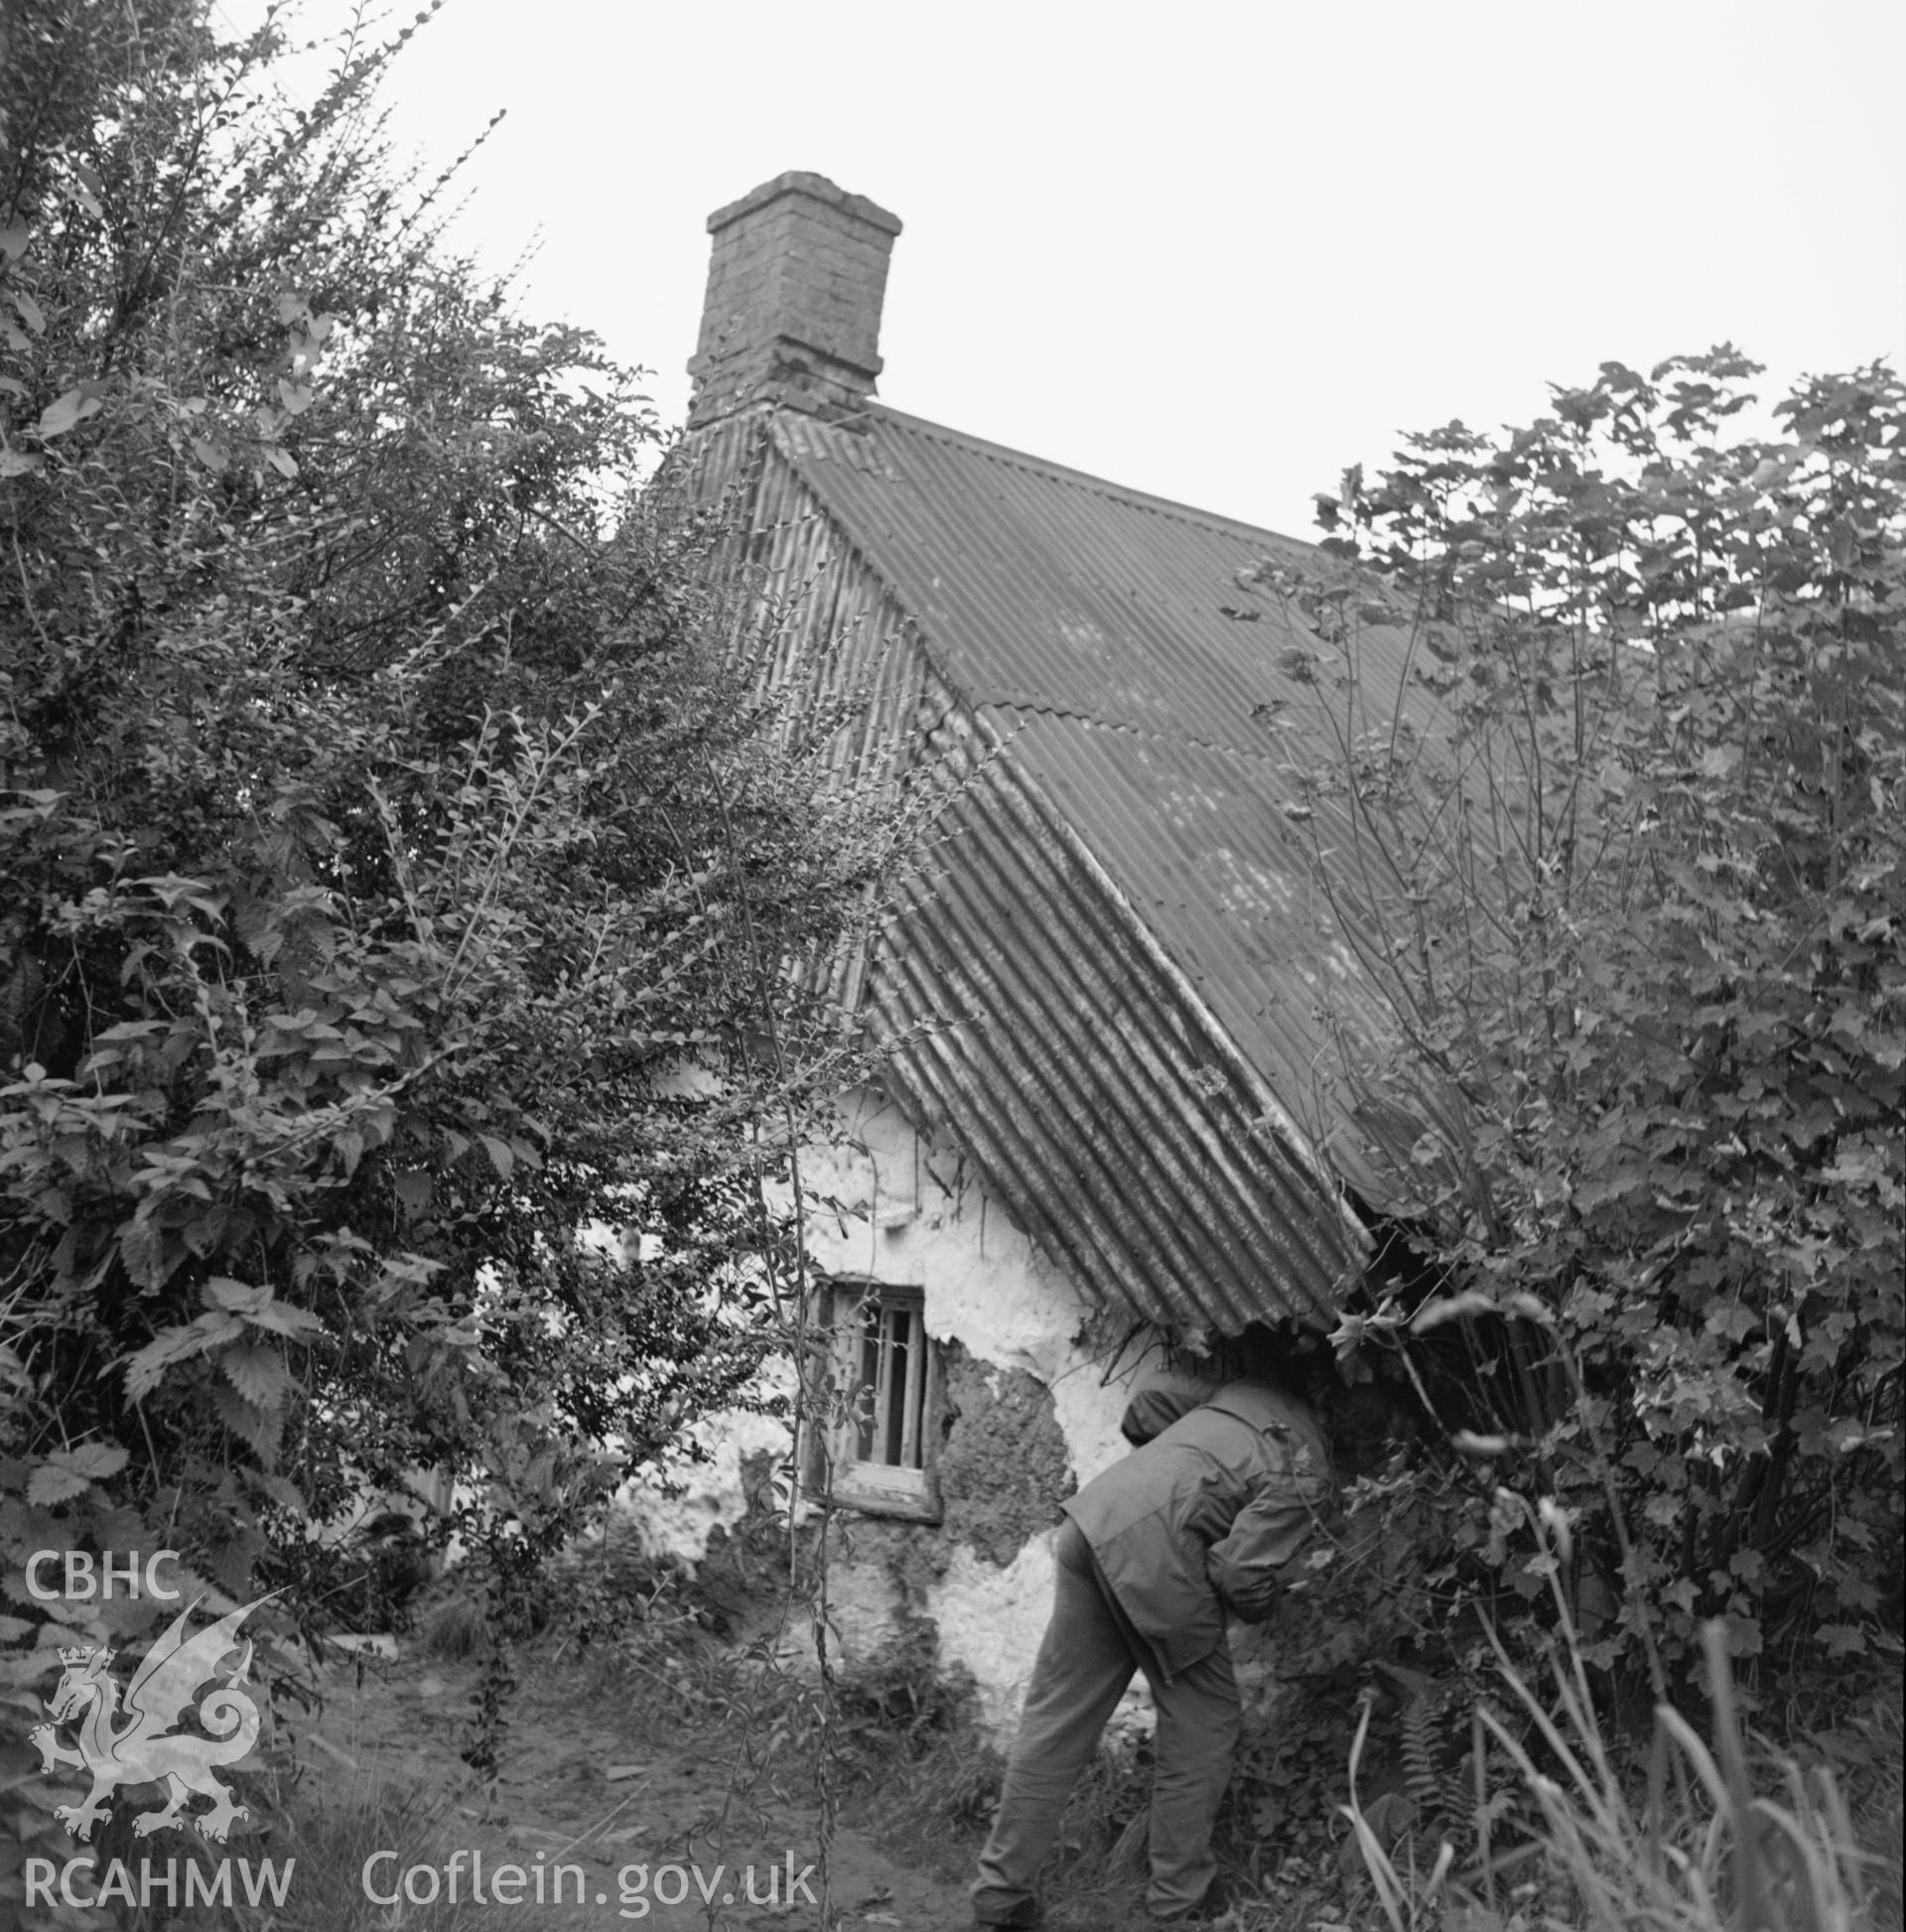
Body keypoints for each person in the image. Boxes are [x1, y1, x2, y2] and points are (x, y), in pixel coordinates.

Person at [971, 1374, 1335, 1927]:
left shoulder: (1240, 1394)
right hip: (1159, 1555)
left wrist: (1172, 1476)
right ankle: (1180, 1899)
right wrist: (1266, 1605)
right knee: (1202, 1725)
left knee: (1057, 1721)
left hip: (1093, 1519)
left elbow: (1148, 1401)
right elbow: (1238, 1571)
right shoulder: (1309, 1469)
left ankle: (1000, 1898)